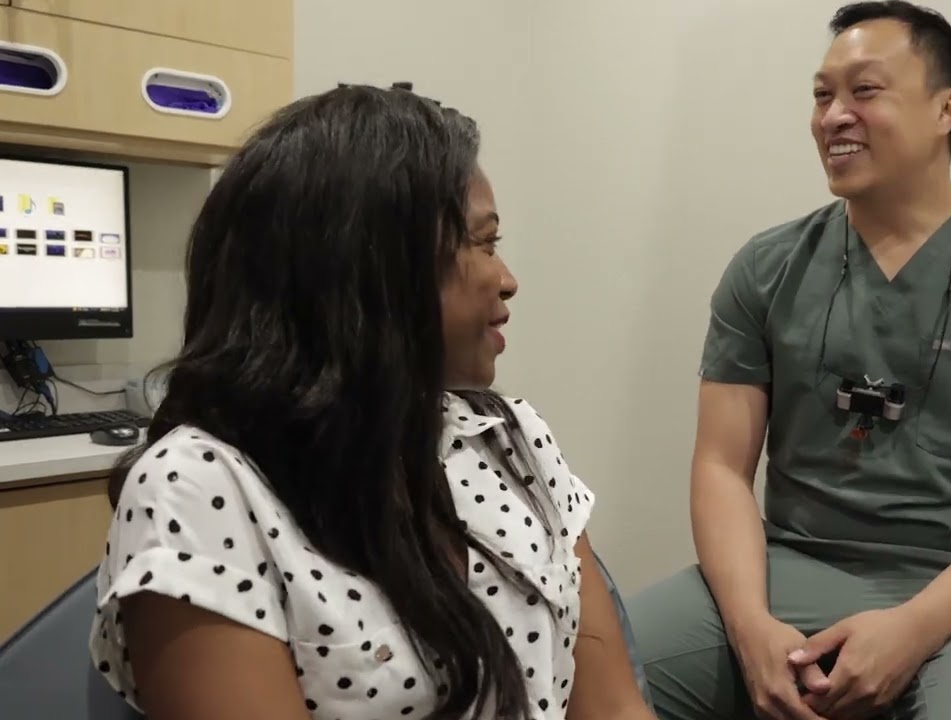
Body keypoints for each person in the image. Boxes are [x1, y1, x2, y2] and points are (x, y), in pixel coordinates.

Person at [89, 85, 656, 720]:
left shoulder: (513, 436)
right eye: (485, 244)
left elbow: (612, 705)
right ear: (372, 268)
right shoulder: (198, 489)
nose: (508, 279)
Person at [627, 2, 951, 719]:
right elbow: (721, 468)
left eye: (865, 91)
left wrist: (916, 627)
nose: (834, 116)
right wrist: (750, 624)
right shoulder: (766, 267)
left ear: (948, 108)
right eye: (823, 95)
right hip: (785, 569)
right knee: (584, 668)